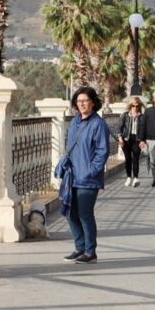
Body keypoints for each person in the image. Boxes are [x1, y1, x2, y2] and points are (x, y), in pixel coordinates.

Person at [60, 86, 111, 265]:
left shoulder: (98, 124)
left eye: (85, 101)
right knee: (71, 213)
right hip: (72, 176)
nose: (82, 104)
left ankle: (91, 252)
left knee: (85, 214)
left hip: (88, 178)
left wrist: (91, 171)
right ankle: (79, 247)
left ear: (93, 102)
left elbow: (102, 151)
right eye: (79, 101)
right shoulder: (75, 121)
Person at [117, 96, 145, 187]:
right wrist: (120, 138)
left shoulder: (142, 116)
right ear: (130, 106)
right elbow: (119, 128)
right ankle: (129, 177)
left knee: (136, 158)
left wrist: (143, 140)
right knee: (128, 159)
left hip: (137, 139)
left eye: (137, 106)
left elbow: (145, 130)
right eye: (133, 106)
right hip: (126, 139)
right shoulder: (125, 115)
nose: (135, 108)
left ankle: (136, 178)